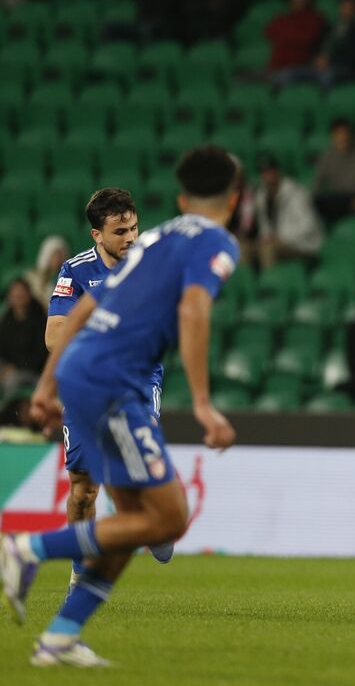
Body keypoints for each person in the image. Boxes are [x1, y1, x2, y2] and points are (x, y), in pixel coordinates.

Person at [5, 146, 240, 666]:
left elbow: (90, 305)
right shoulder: (215, 243)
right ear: (236, 197)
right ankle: (25, 550)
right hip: (113, 379)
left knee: (147, 519)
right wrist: (202, 403)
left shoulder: (155, 239)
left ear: (179, 198)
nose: (129, 235)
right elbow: (195, 311)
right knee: (164, 517)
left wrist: (46, 385)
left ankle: (60, 638)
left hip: (92, 375)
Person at [45, 190, 171, 591]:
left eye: (134, 227)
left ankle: (154, 512)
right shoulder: (76, 271)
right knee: (83, 489)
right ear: (97, 234)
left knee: (136, 446)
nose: (131, 238)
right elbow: (53, 335)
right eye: (120, 231)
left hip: (136, 375)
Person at [245, 154, 324, 268]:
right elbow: (265, 228)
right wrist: (266, 237)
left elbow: (309, 226)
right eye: (264, 171)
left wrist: (281, 238)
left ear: (277, 171)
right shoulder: (261, 196)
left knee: (268, 249)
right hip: (278, 243)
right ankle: (247, 284)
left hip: (303, 246)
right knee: (243, 249)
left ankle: (270, 284)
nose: (268, 174)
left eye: (271, 170)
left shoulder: (296, 193)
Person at [313, 118, 355, 224]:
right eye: (338, 134)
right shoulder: (327, 155)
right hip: (338, 198)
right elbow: (318, 181)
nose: (342, 137)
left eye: (345, 133)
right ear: (333, 136)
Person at [264, 0, 327, 82]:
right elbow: (269, 32)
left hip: (299, 68)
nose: (298, 0)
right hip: (276, 67)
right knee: (241, 80)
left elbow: (305, 38)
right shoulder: (282, 18)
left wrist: (285, 35)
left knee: (286, 77)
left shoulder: (316, 19)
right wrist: (289, 35)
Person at [0, 279, 47, 395]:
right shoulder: (6, 321)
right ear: (10, 298)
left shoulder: (41, 318)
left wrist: (16, 366)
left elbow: (42, 353)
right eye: (15, 295)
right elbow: (2, 350)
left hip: (37, 371)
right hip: (13, 371)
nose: (19, 297)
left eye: (22, 293)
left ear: (29, 294)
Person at [25, 235, 68, 305]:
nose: (58, 259)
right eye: (55, 255)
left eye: (61, 255)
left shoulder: (69, 278)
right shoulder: (32, 278)